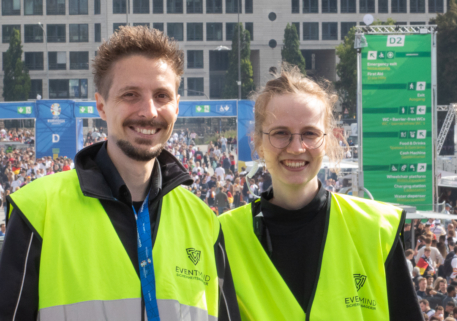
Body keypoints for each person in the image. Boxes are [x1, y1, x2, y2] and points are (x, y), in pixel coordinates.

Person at [0, 26, 239, 321]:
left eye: (162, 95)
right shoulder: (38, 211)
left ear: (177, 106)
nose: (149, 111)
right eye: (130, 94)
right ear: (101, 106)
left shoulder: (204, 222)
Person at [217, 65, 423, 320]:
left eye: (310, 134)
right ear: (258, 142)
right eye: (281, 133)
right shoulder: (222, 236)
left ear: (326, 140)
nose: (296, 147)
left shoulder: (377, 229)